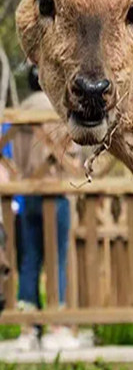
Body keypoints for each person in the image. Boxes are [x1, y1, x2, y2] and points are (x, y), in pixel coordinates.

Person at [14, 67, 79, 350]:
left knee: (30, 260)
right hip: (56, 194)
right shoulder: (60, 109)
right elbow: (73, 153)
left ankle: (29, 328)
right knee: (56, 259)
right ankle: (56, 325)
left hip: (27, 193)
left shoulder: (19, 111)